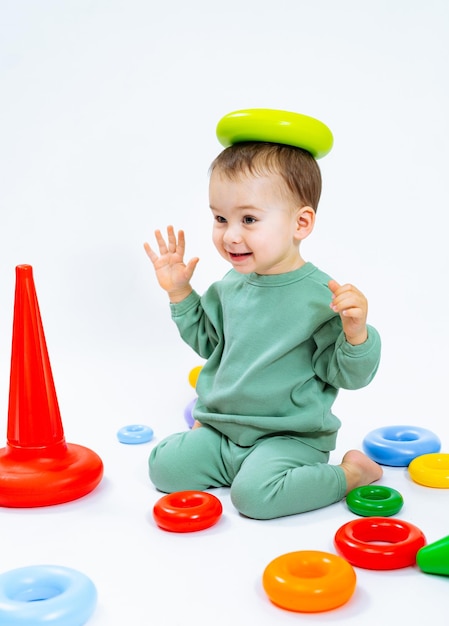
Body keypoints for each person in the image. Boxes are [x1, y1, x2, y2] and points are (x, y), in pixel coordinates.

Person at [144, 140, 382, 520]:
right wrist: (180, 292)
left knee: (254, 499)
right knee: (163, 468)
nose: (230, 236)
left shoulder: (323, 297)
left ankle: (352, 474)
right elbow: (209, 343)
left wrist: (356, 333)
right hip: (224, 432)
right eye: (220, 219)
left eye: (249, 220)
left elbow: (348, 375)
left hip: (289, 437)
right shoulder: (229, 286)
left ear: (300, 224)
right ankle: (237, 463)